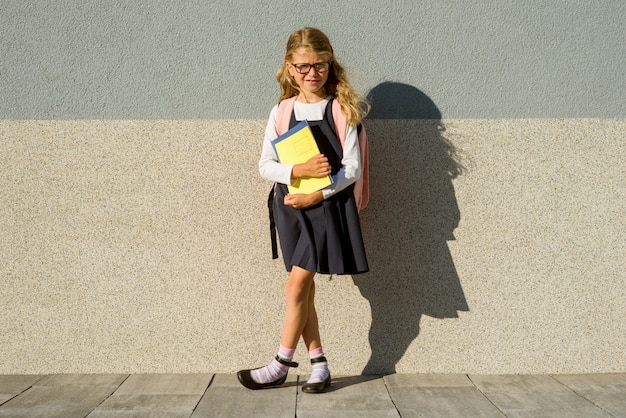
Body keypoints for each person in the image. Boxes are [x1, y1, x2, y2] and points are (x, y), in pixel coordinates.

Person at [237, 27, 369, 394]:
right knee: (304, 291)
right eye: (304, 66)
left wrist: (318, 193)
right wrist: (297, 171)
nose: (312, 73)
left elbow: (352, 168)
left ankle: (280, 364)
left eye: (320, 65)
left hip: (325, 210)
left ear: (331, 63)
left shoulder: (341, 109)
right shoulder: (281, 110)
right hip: (291, 209)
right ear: (289, 66)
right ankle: (320, 365)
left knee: (295, 288)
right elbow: (265, 165)